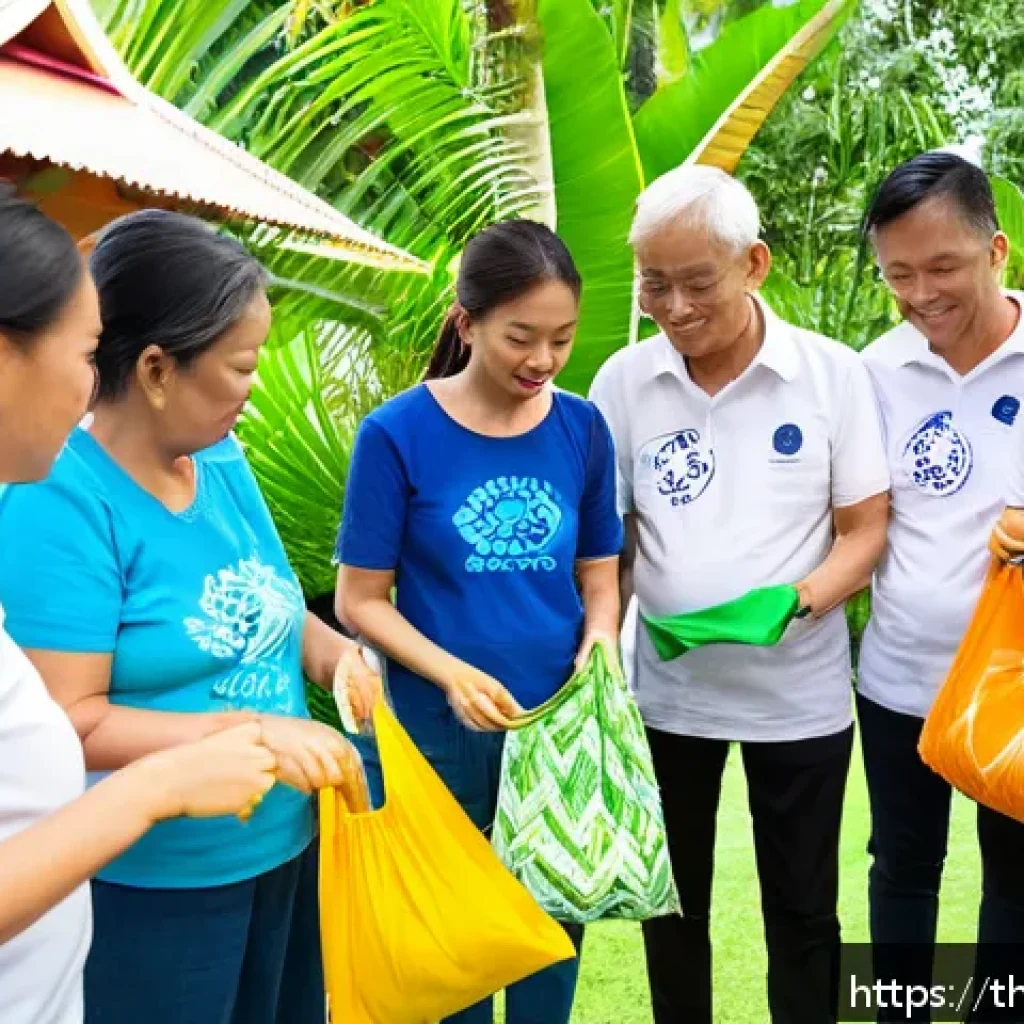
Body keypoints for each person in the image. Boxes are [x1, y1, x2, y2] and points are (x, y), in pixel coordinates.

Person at [0, 208, 378, 1024]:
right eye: (242, 366)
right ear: (157, 369)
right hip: (159, 880)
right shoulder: (58, 497)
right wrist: (248, 734)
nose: (254, 386)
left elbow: (271, 600)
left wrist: (333, 655)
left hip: (279, 842)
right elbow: (71, 719)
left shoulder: (218, 456)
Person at [588, 165, 891, 1024]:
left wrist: (796, 601)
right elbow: (610, 543)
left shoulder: (830, 375)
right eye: (654, 284)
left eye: (697, 282)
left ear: (754, 264)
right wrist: (602, 646)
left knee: (804, 911)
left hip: (798, 699)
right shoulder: (623, 382)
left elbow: (865, 529)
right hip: (668, 699)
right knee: (671, 909)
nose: (675, 307)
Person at [336, 219, 623, 1023]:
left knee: (549, 948)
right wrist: (452, 675)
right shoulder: (396, 434)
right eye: (520, 338)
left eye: (562, 338)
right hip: (438, 729)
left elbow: (600, 574)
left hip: (555, 733)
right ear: (466, 323)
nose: (543, 360)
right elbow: (359, 600)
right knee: (452, 959)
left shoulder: (581, 428)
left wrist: (600, 639)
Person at [858, 151, 1024, 1021]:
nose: (922, 294)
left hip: (1016, 686)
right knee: (901, 870)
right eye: (900, 275)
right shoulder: (874, 371)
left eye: (943, 267)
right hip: (901, 680)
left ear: (997, 250)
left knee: (1018, 881)